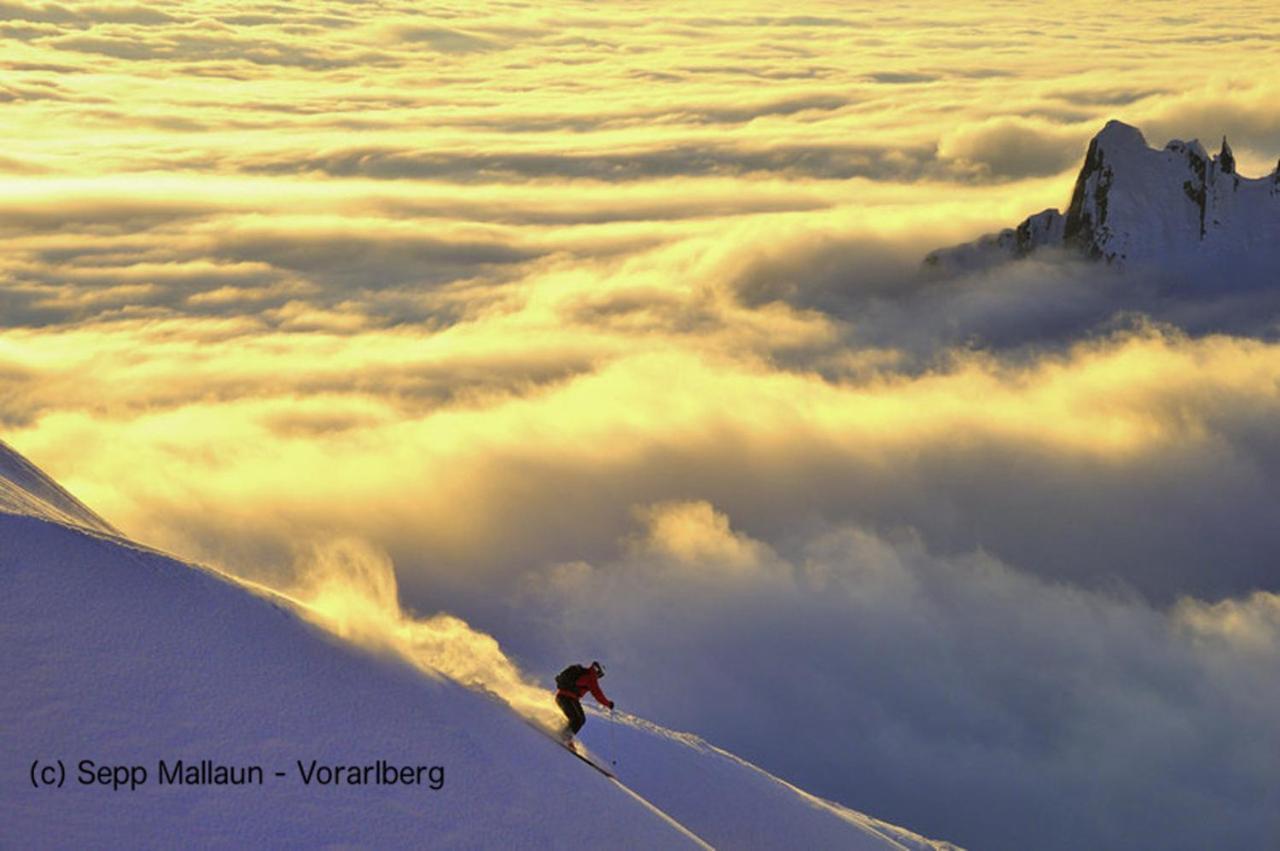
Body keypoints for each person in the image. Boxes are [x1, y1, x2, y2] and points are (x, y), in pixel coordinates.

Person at [555, 660, 614, 742]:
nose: (599, 677)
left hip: (562, 697)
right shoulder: (591, 678)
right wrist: (608, 704)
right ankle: (564, 737)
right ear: (598, 671)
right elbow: (597, 694)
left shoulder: (584, 672)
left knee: (577, 719)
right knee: (579, 720)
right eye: (600, 674)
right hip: (567, 698)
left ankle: (563, 735)